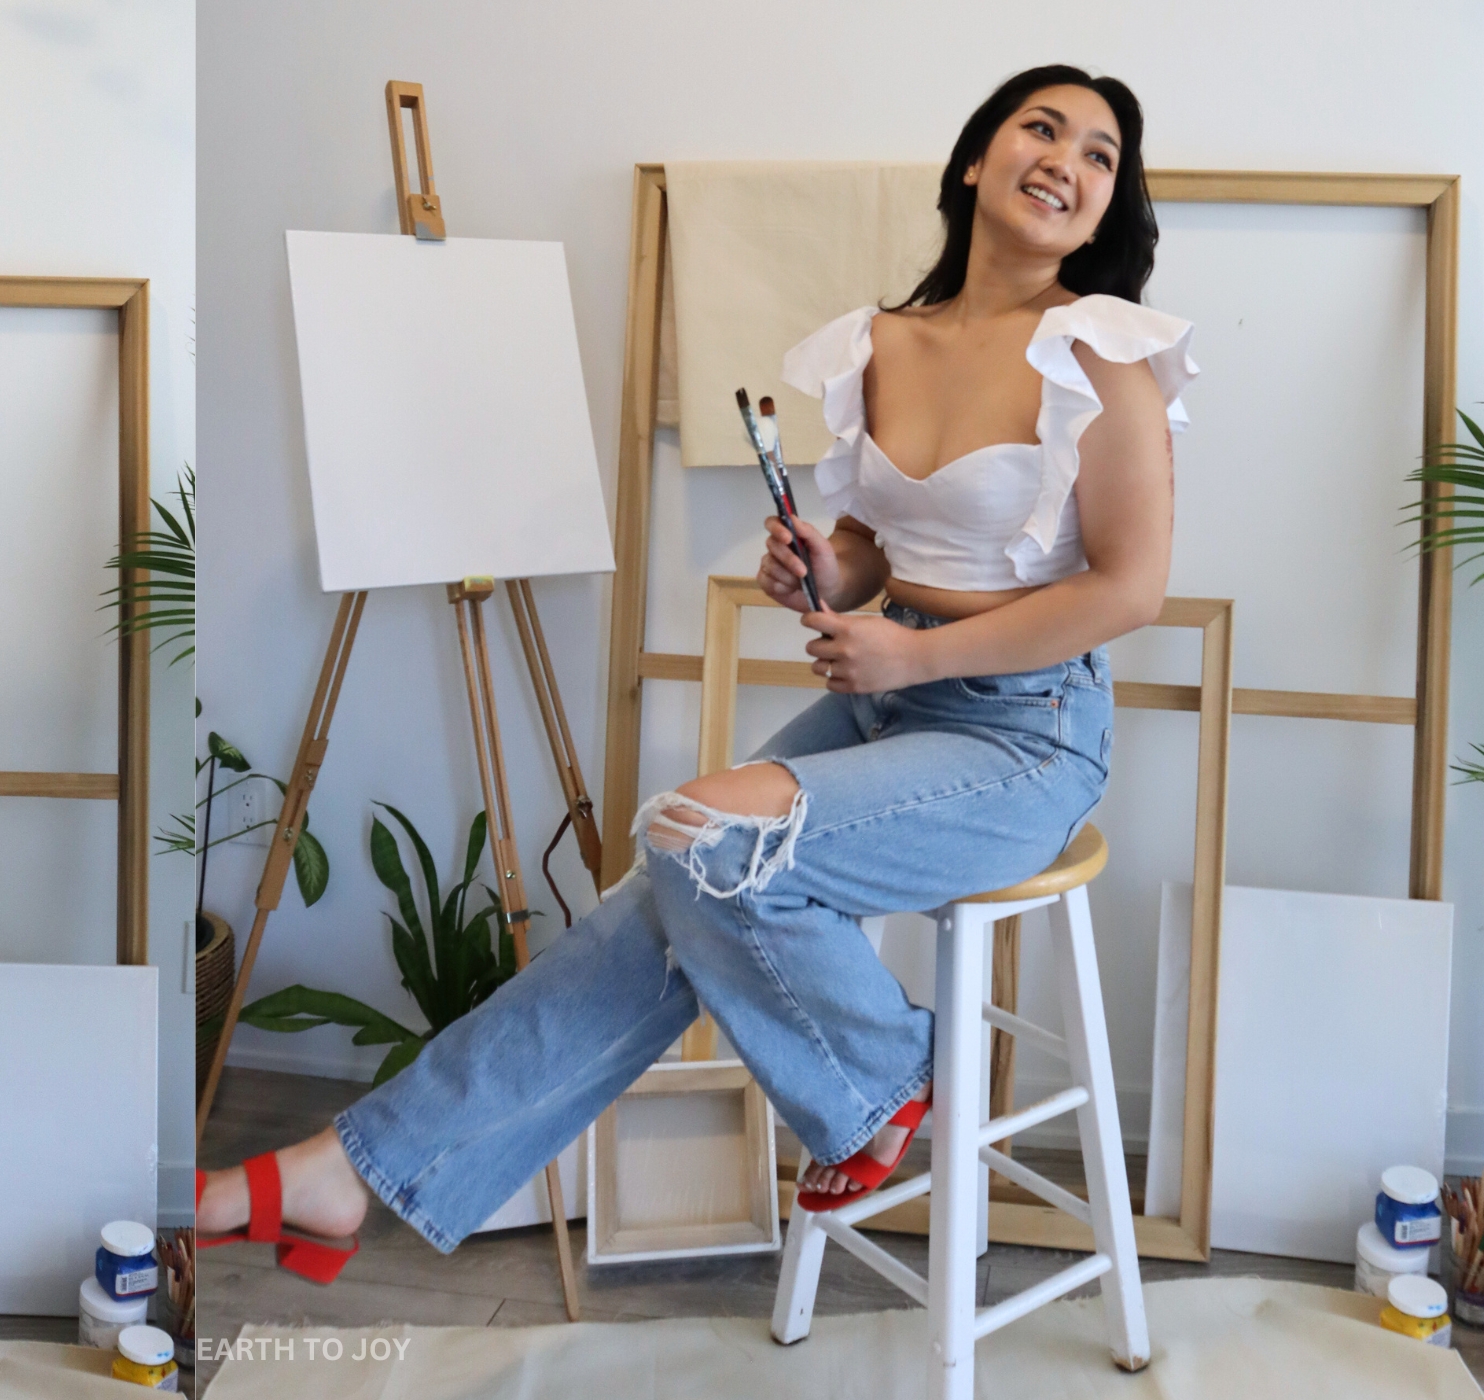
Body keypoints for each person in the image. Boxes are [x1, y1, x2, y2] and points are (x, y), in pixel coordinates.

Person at [197, 64, 1188, 1277]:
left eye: (1099, 155)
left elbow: (1124, 591)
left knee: (697, 836)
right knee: (664, 873)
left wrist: (917, 647)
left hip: (1025, 736)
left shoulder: (1105, 358)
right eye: (1042, 128)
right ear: (976, 157)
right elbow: (886, 548)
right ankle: (349, 1172)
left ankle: (884, 1076)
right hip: (885, 704)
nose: (1068, 161)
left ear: (1103, 207)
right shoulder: (887, 339)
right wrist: (825, 573)